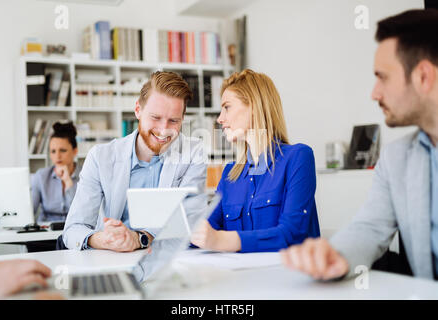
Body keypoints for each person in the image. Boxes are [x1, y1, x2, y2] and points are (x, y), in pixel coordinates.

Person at [280, 9, 438, 281]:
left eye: (383, 77)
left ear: (423, 76)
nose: (374, 93)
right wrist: (336, 255)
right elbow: (370, 228)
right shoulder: (396, 158)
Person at [62, 71, 207, 252]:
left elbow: (190, 222)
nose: (163, 130)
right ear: (138, 110)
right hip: (112, 260)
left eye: (173, 121)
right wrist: (103, 239)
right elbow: (73, 230)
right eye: (155, 118)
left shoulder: (193, 154)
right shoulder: (100, 157)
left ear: (182, 119)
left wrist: (139, 239)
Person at [191, 69, 320, 252]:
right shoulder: (230, 174)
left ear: (254, 107)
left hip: (288, 276)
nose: (220, 119)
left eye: (227, 107)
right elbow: (206, 229)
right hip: (242, 278)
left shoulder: (298, 157)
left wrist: (222, 240)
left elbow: (292, 233)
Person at [31, 121, 80, 223]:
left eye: (62, 150)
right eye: (53, 151)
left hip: (74, 232)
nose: (57, 156)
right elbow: (29, 212)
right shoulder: (41, 176)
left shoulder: (86, 176)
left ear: (75, 151)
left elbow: (81, 212)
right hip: (45, 233)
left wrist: (68, 182)